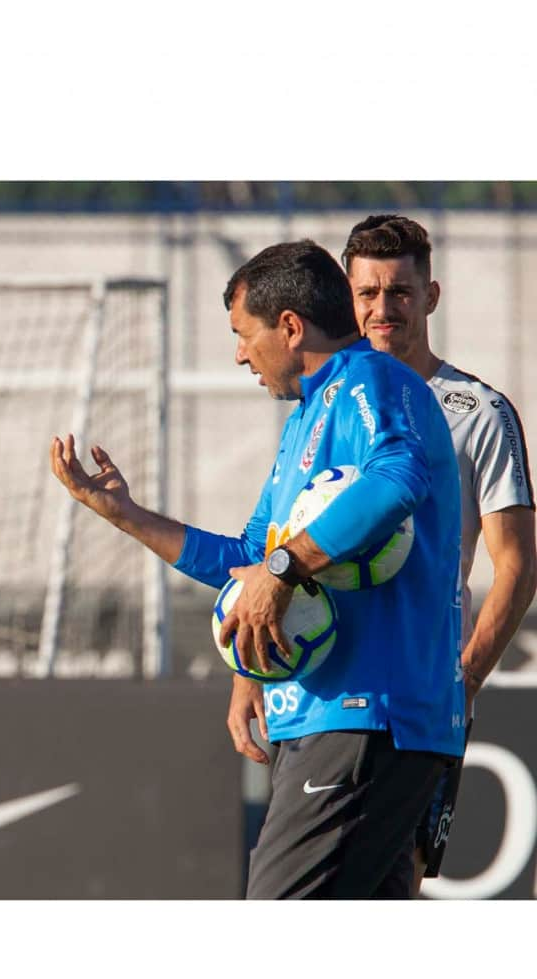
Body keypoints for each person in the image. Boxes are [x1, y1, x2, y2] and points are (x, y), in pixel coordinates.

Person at [51, 239, 466, 899]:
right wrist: (124, 513)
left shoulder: (373, 379)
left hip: (367, 716)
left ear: (290, 327)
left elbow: (398, 477)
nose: (240, 353)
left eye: (244, 334)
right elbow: (250, 562)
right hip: (335, 719)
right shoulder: (306, 420)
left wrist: (284, 566)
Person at [340, 213, 536, 892]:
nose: (382, 308)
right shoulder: (328, 405)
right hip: (328, 692)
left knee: (398, 881)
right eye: (368, 293)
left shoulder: (478, 410)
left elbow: (517, 562)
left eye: (399, 291)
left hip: (422, 697)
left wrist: (467, 675)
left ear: (431, 295)